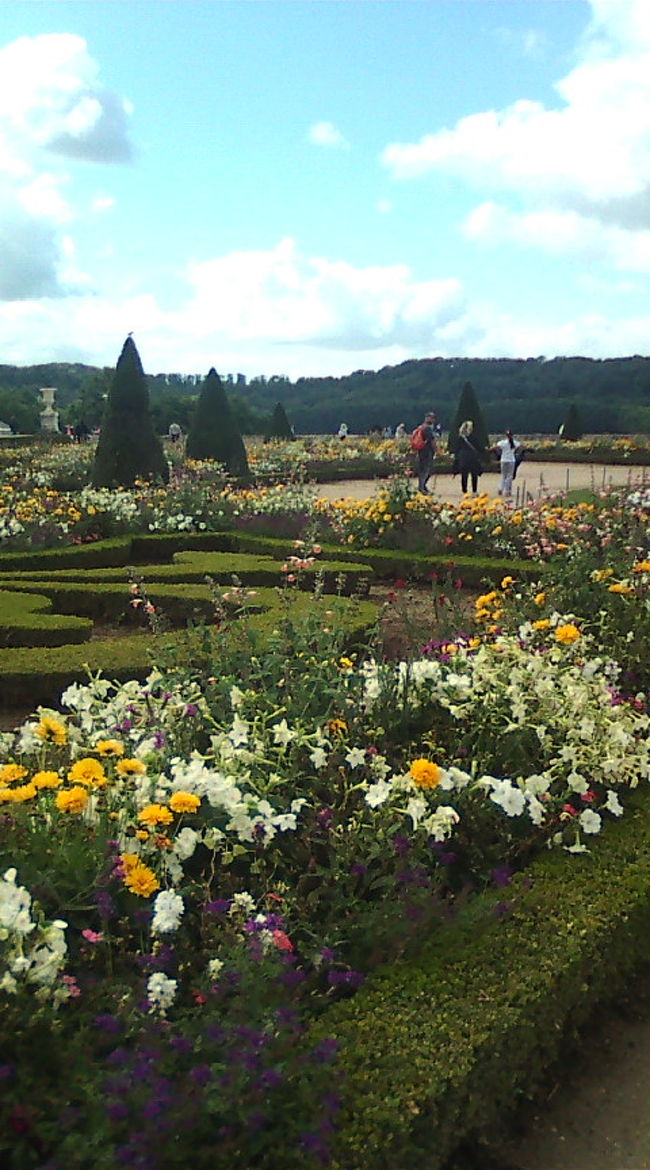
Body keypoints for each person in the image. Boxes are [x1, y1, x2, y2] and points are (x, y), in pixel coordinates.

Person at [453, 419, 483, 495]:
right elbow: (479, 447)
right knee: (474, 475)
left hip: (463, 457)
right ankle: (474, 491)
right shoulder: (473, 437)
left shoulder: (460, 438)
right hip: (472, 457)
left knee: (464, 475)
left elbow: (456, 448)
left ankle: (465, 491)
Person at [493, 429, 522, 499]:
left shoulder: (502, 442)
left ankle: (500, 488)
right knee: (509, 476)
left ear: (506, 436)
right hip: (511, 460)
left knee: (503, 476)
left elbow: (495, 447)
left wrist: (488, 450)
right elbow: (521, 446)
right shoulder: (515, 442)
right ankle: (507, 491)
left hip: (503, 460)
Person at [416, 411, 437, 494]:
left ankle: (422, 486)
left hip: (421, 451)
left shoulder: (421, 427)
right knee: (426, 470)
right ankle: (422, 487)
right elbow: (432, 440)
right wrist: (436, 450)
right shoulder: (428, 428)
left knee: (422, 469)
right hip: (427, 451)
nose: (433, 420)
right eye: (432, 418)